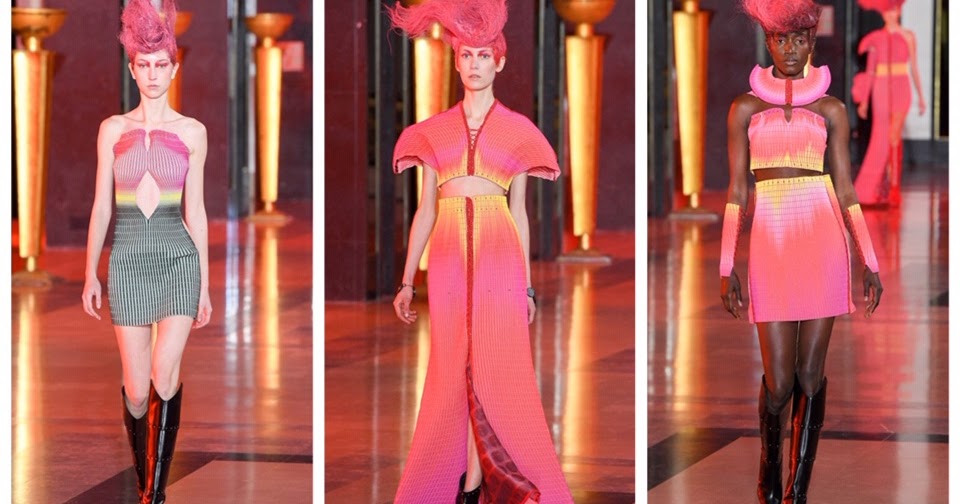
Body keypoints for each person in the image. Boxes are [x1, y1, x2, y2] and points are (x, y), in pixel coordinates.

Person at [386, 1, 574, 502]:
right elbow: (425, 210)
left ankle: (473, 486)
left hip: (499, 256)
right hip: (448, 259)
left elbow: (520, 214)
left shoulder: (519, 131)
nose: (474, 64)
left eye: (483, 55)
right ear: (456, 62)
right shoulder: (433, 132)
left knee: (492, 371)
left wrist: (527, 287)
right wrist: (407, 280)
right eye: (466, 55)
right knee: (453, 370)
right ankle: (462, 484)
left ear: (500, 61)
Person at [722, 1, 883, 502]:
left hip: (822, 241)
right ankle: (768, 475)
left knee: (810, 376)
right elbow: (737, 191)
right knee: (778, 381)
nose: (789, 49)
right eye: (780, 40)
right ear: (767, 42)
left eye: (798, 40)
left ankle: (795, 492)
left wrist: (869, 260)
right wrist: (727, 265)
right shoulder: (745, 108)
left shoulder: (831, 109)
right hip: (771, 245)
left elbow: (847, 190)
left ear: (812, 41)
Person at [81, 0, 211, 501]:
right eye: (144, 65)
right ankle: (145, 480)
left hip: (179, 261)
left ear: (175, 69)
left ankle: (152, 495)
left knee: (164, 374)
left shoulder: (192, 132)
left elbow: (195, 211)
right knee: (137, 392)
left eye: (161, 65)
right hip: (129, 262)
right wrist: (90, 273)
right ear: (132, 69)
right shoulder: (112, 130)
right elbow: (101, 207)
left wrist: (204, 286)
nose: (153, 74)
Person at [851, 0, 924, 207]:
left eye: (893, 11)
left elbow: (914, 67)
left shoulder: (908, 36)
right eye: (887, 12)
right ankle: (875, 187)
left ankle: (893, 187)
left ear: (899, 11)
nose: (890, 15)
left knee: (893, 136)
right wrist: (864, 101)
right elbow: (870, 71)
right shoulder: (875, 38)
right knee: (880, 138)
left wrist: (921, 97)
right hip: (881, 89)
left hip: (901, 87)